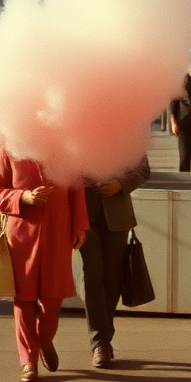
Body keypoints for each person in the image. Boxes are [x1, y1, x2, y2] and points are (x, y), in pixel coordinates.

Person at [0, 146, 89, 382]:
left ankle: (44, 338)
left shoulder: (66, 146)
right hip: (22, 232)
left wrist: (79, 225)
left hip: (58, 230)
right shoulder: (9, 147)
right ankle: (28, 361)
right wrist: (22, 197)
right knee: (24, 297)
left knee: (54, 296)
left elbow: (76, 189)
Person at [80, 155, 150, 368]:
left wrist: (120, 184)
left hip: (117, 214)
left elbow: (143, 170)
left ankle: (104, 338)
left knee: (113, 276)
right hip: (84, 214)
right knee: (92, 275)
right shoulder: (73, 128)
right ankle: (99, 341)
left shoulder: (126, 131)